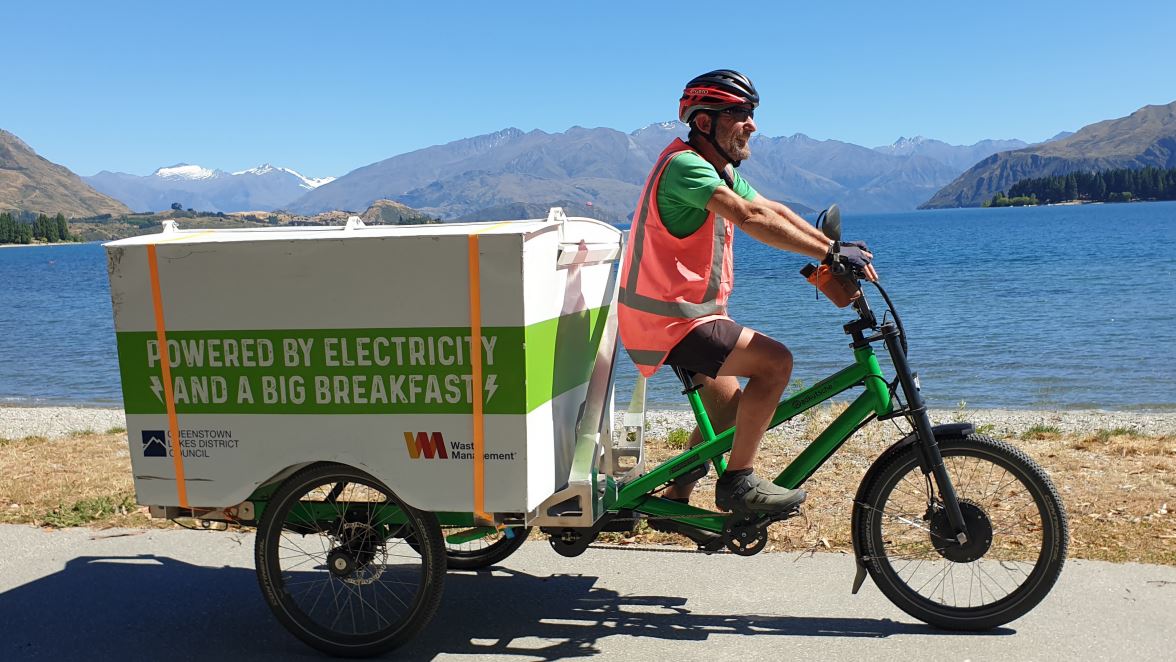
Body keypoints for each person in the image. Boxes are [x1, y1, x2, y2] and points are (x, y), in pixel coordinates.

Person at [618, 69, 876, 539]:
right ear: (703, 121)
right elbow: (750, 216)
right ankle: (738, 482)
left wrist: (832, 248)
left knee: (729, 410)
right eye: (738, 113)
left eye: (751, 113)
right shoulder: (686, 167)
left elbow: (772, 208)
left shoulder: (719, 170)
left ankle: (674, 501)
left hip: (686, 316)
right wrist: (827, 254)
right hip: (668, 321)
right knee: (776, 363)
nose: (751, 124)